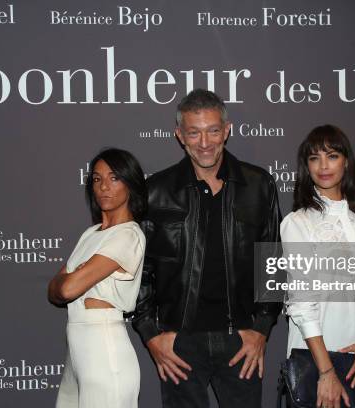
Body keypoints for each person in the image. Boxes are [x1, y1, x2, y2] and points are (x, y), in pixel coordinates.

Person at [132, 89, 282, 408]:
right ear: (179, 136)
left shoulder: (258, 185)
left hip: (241, 340)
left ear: (227, 130)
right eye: (194, 132)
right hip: (179, 344)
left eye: (213, 130)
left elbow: (273, 264)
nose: (204, 142)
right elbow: (138, 271)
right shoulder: (156, 192)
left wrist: (261, 329)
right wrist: (151, 335)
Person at [281, 125, 355, 408]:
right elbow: (301, 304)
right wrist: (326, 372)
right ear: (306, 166)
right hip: (321, 362)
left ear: (346, 161)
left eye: (332, 156)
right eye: (314, 158)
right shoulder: (297, 224)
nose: (323, 166)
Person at [49, 148, 147, 408]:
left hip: (105, 351)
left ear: (131, 184)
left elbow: (67, 289)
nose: (104, 186)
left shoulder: (128, 235)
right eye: (96, 178)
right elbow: (54, 292)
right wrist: (69, 280)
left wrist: (70, 278)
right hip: (78, 354)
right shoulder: (90, 234)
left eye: (114, 178)